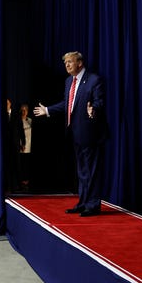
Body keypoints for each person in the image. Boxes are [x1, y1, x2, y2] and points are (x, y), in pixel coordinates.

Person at [33, 51, 108, 217]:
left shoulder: (94, 80)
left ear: (79, 63)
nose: (67, 65)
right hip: (75, 133)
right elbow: (67, 104)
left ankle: (93, 205)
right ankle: (83, 203)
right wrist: (48, 110)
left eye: (70, 62)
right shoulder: (69, 82)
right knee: (82, 171)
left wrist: (93, 109)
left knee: (91, 171)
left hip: (90, 133)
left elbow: (99, 102)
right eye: (65, 62)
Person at [18, 103, 33, 192]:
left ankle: (27, 183)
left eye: (25, 110)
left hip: (29, 146)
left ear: (27, 111)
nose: (24, 112)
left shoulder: (30, 121)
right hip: (21, 147)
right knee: (21, 165)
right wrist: (21, 145)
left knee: (27, 165)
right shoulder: (18, 121)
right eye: (22, 110)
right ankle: (21, 183)